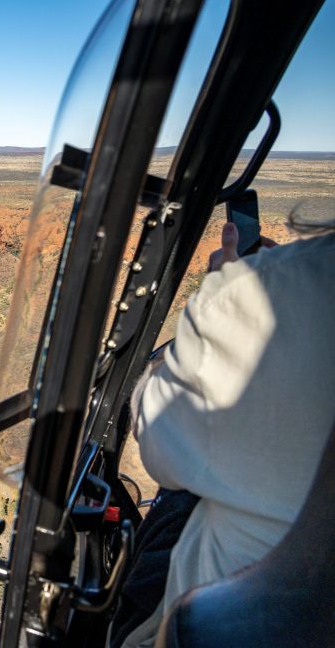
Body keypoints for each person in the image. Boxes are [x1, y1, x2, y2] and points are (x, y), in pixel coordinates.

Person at [112, 215, 335, 648]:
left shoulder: (288, 284)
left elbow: (151, 429)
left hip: (209, 624)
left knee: (178, 497)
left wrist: (229, 302)